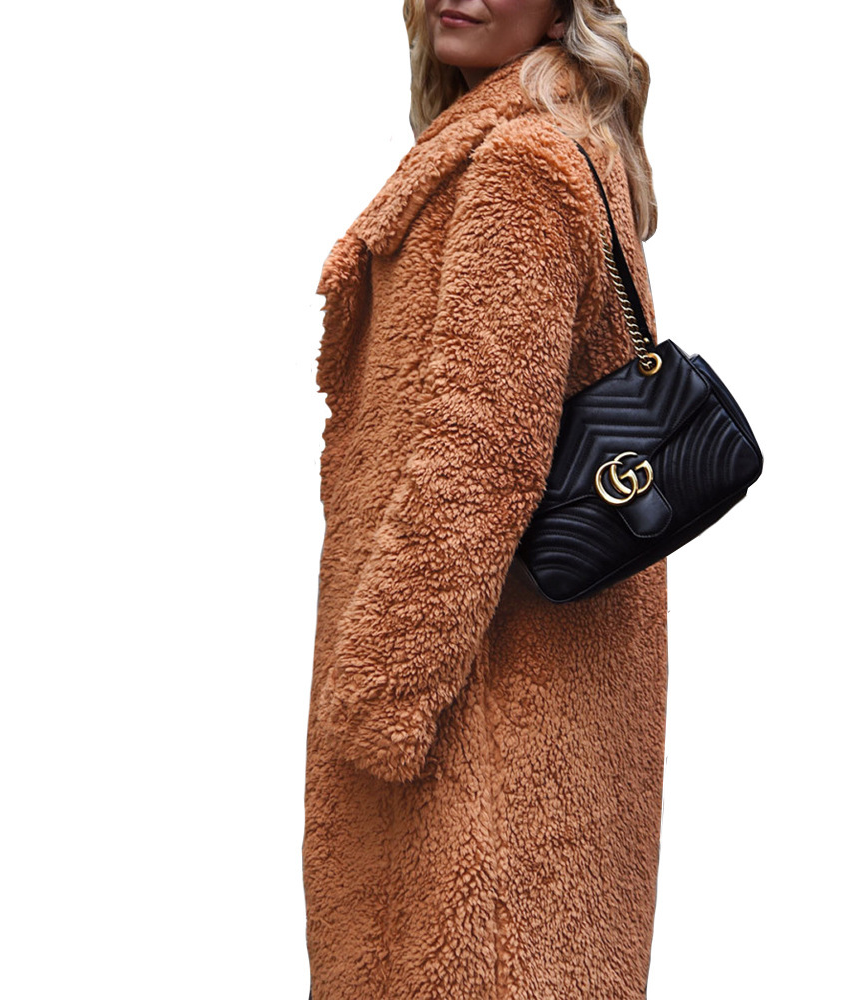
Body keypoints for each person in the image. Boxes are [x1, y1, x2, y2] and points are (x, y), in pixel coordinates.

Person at [304, 2, 666, 996]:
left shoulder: (517, 166)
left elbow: (477, 457)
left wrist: (378, 699)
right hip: (526, 698)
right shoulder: (557, 144)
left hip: (471, 714)